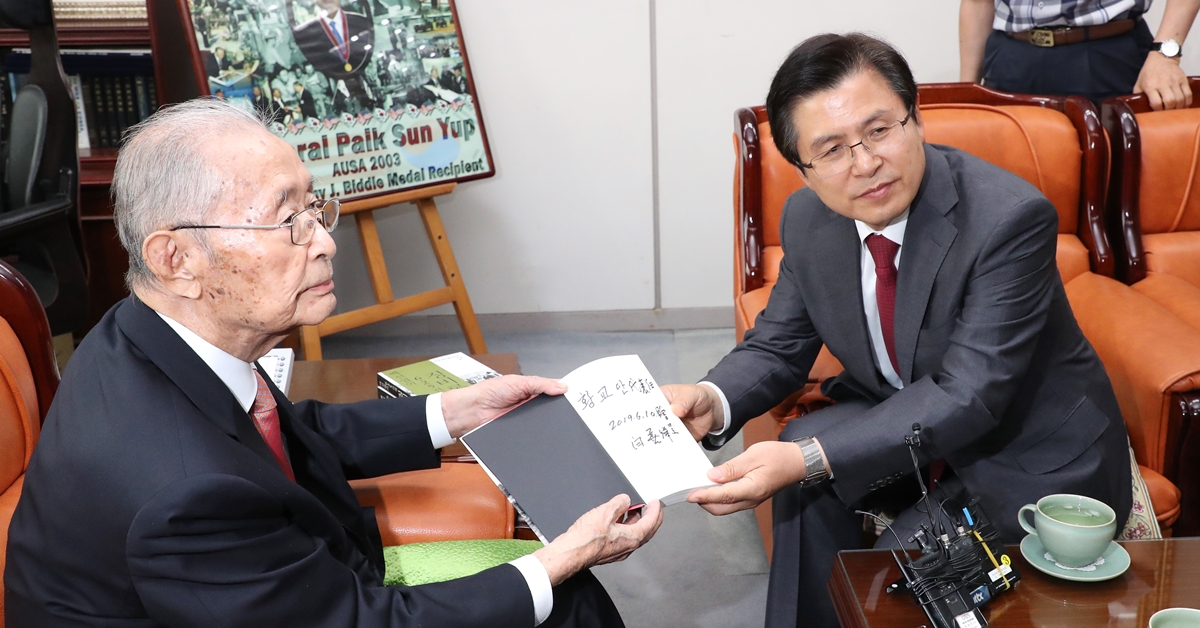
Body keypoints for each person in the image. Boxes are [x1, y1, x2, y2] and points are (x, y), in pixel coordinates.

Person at [3, 99, 663, 627]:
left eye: (315, 209)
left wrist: (453, 412)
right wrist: (559, 560)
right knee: (563, 597)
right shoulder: (182, 494)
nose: (323, 242)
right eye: (288, 220)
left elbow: (278, 440)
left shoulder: (150, 329)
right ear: (178, 258)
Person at [662, 33, 1132, 628]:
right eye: (831, 149)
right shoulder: (809, 220)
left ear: (916, 120)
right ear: (803, 170)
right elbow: (780, 342)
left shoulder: (1008, 219)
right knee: (801, 496)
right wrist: (712, 399)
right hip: (903, 416)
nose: (864, 163)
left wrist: (810, 456)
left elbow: (970, 394)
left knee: (896, 575)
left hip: (1020, 448)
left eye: (879, 130)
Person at [960, 0, 1200, 109]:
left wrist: (1165, 55)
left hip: (1106, 55)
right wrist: (965, 93)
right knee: (1010, 185)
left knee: (1112, 186)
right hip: (1011, 59)